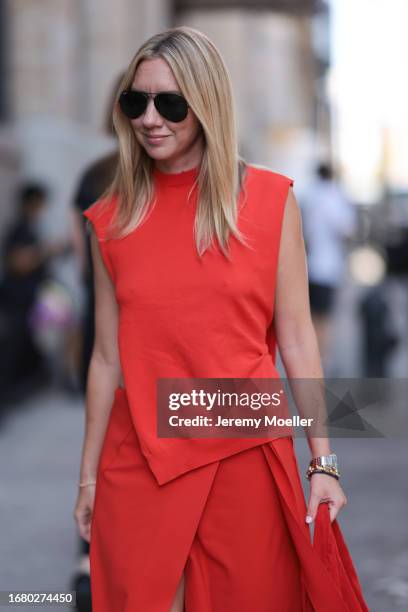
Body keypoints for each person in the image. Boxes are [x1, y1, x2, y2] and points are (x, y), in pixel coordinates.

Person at [74, 26, 369, 611]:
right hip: (141, 458)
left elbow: (296, 338)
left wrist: (323, 462)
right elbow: (106, 357)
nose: (149, 119)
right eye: (136, 101)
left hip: (245, 451)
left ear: (207, 105)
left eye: (170, 103)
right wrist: (87, 478)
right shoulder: (109, 218)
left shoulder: (268, 200)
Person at [300, 163, 357, 368]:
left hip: (308, 263)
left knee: (311, 315)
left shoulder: (308, 196)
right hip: (327, 266)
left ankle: (310, 355)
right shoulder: (334, 197)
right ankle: (321, 358)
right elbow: (345, 229)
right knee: (324, 317)